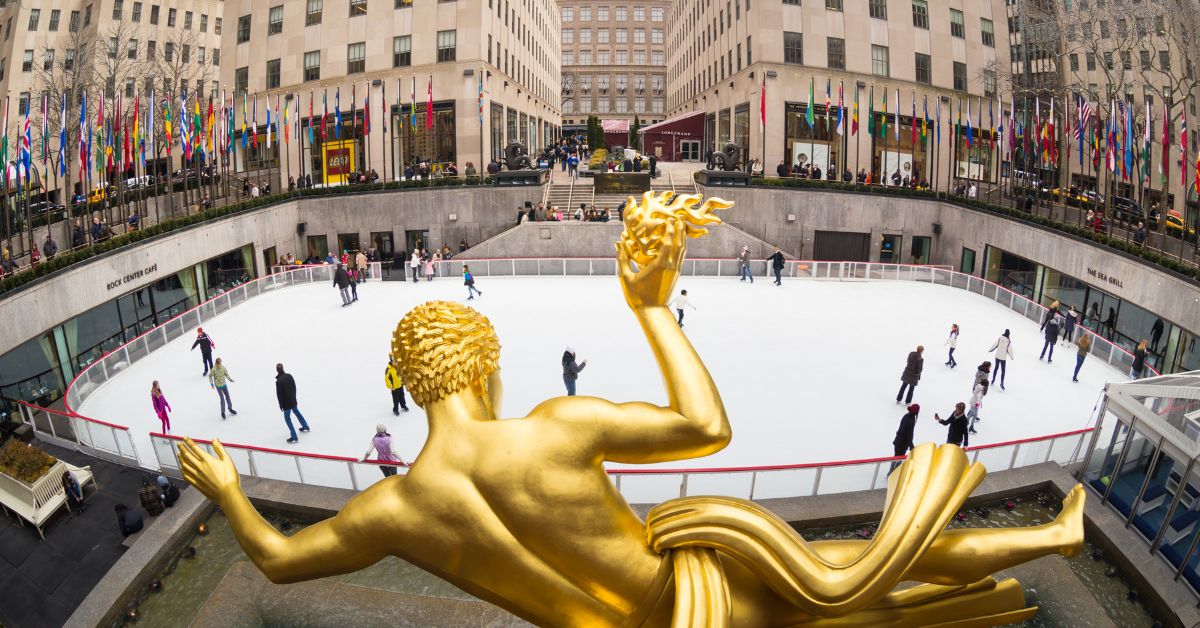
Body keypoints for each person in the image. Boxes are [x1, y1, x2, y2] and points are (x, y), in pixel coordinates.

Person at [177, 222, 1089, 627]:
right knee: (875, 568)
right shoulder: (554, 427)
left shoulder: (395, 509)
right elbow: (706, 426)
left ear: (409, 387)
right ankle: (1050, 535)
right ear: (485, 364)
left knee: (874, 594)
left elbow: (282, 563)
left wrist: (226, 491)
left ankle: (1047, 538)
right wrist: (652, 309)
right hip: (703, 599)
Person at [274, 364, 312, 444]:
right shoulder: (289, 376)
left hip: (286, 404)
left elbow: (279, 396)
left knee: (287, 418)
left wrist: (281, 405)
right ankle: (305, 426)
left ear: (277, 370)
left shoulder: (279, 381)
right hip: (292, 400)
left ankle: (294, 436)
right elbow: (294, 388)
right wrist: (294, 398)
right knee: (297, 412)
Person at [891, 404, 919, 472]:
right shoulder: (911, 420)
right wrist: (911, 445)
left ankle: (891, 472)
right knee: (900, 458)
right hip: (903, 444)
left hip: (898, 440)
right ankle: (894, 473)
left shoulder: (906, 416)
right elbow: (909, 435)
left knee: (895, 457)